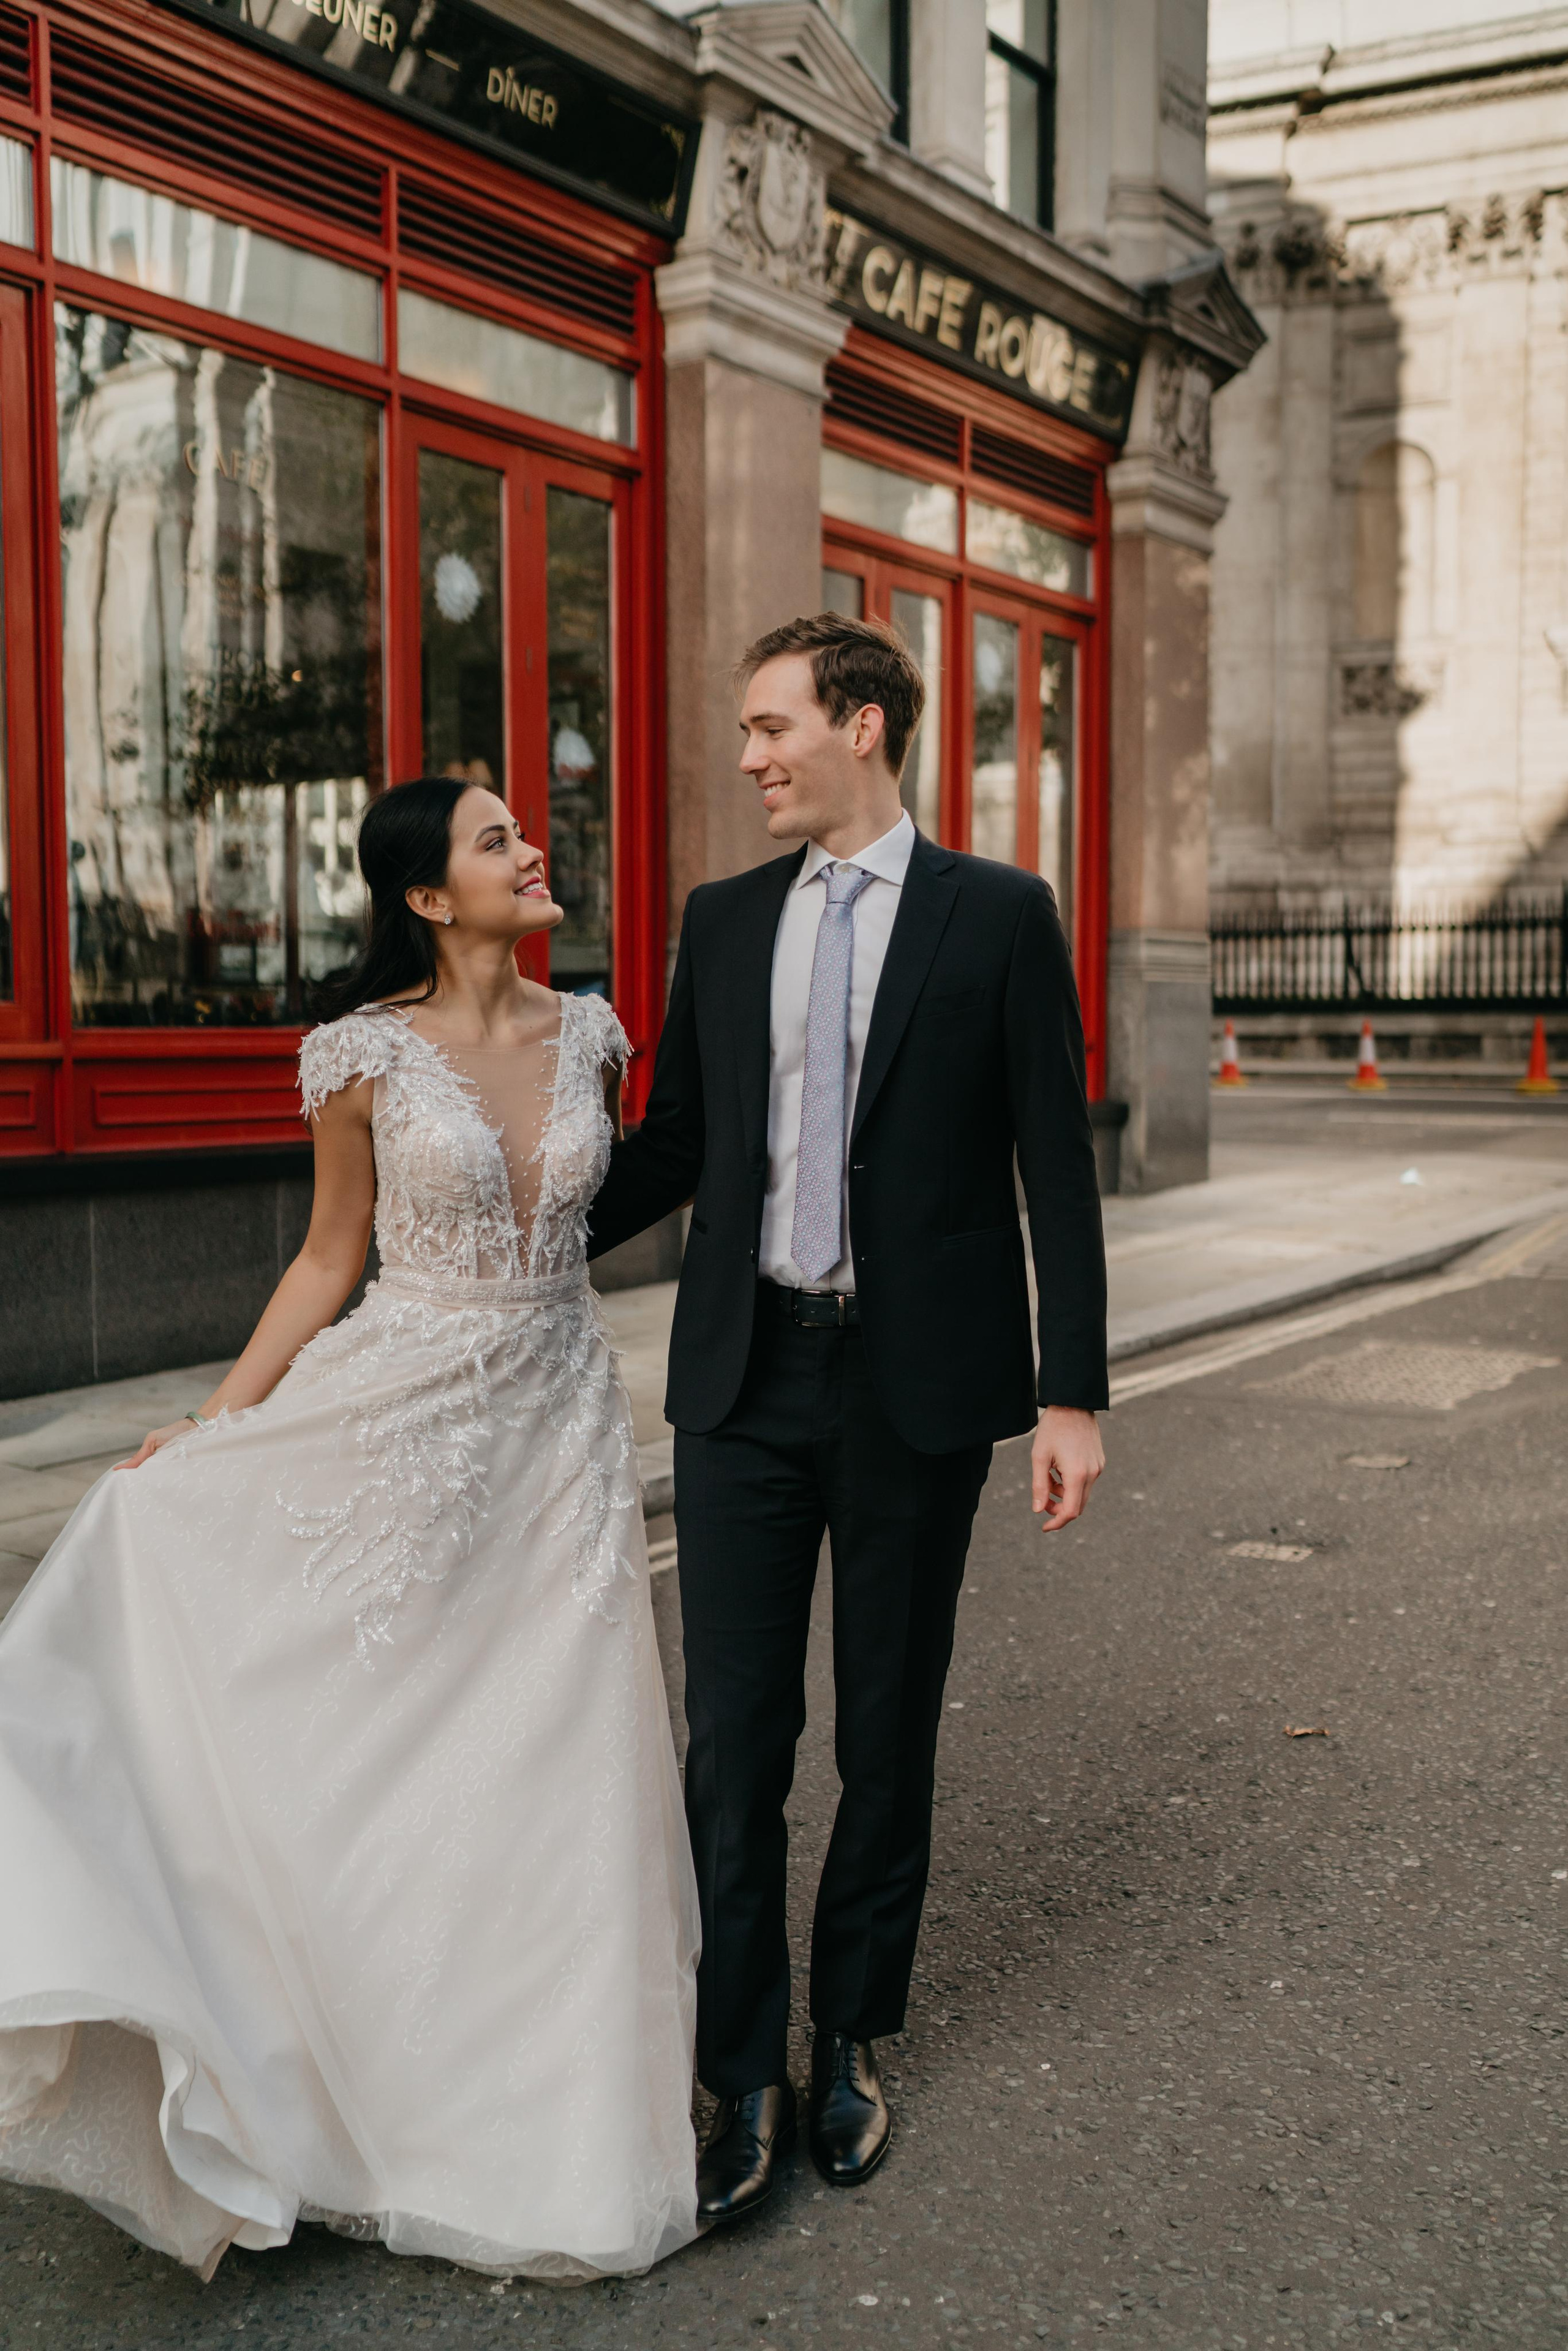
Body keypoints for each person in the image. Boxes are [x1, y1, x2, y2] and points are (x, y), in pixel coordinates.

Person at [0, 778, 699, 2282]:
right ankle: (325, 2077)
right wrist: (222, 1419)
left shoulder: (594, 1033)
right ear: (432, 901)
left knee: (555, 1759)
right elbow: (327, 1258)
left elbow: (597, 1204)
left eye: (522, 828)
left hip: (557, 1423)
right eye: (493, 838)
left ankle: (548, 2129)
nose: (528, 848)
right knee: (375, 1743)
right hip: (399, 1411)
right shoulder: (358, 1055)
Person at [587, 613, 1109, 2225]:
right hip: (747, 1379)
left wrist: (1070, 1389)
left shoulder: (1002, 916)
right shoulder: (725, 917)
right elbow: (675, 1139)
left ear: (862, 726)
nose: (748, 757)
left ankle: (852, 2032)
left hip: (918, 1388)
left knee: (886, 1732)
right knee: (736, 1739)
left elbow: (1054, 1164)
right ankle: (740, 2067)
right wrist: (503, 1229)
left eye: (770, 726)